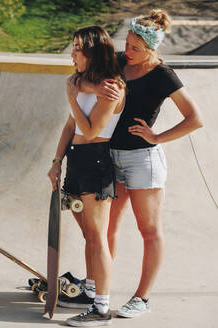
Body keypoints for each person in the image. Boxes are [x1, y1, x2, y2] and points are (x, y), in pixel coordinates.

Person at [102, 9, 203, 318]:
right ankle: (98, 287)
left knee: (149, 231)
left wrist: (157, 137)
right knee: (106, 228)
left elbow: (195, 119)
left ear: (151, 48)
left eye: (135, 48)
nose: (127, 51)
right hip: (112, 156)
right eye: (127, 44)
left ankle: (141, 298)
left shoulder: (163, 75)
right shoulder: (120, 61)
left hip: (142, 160)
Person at [47, 26, 126, 327]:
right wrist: (56, 162)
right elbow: (70, 128)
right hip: (76, 161)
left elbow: (91, 130)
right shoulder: (82, 84)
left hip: (96, 162)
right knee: (87, 235)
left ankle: (101, 309)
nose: (73, 53)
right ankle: (91, 292)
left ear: (93, 51)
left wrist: (72, 95)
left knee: (97, 238)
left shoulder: (112, 87)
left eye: (78, 48)